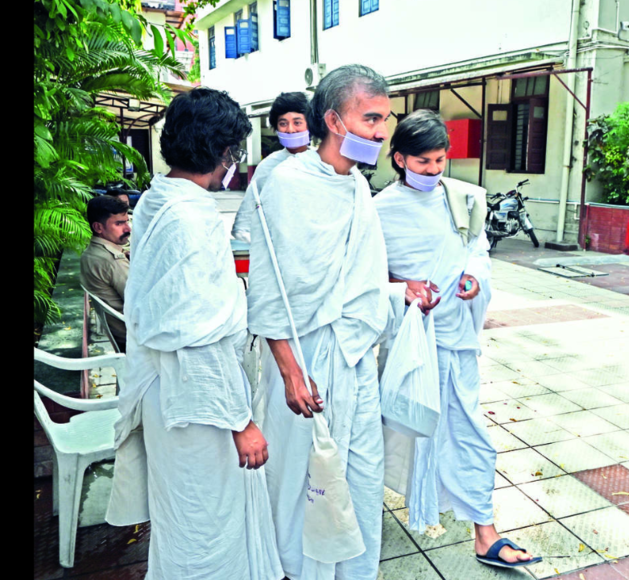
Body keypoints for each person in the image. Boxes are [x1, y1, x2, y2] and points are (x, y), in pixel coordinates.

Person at [247, 64, 434, 580]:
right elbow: (266, 288)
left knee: (359, 478)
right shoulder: (285, 184)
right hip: (305, 363)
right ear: (332, 119)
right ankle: (297, 571)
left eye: (384, 119)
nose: (381, 131)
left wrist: (401, 294)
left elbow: (359, 282)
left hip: (353, 361)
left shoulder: (355, 187)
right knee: (300, 479)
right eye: (370, 118)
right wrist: (289, 372)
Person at [104, 87, 283, 580]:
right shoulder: (186, 218)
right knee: (208, 525)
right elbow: (196, 338)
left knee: (187, 517)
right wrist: (240, 423)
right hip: (196, 405)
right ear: (225, 153)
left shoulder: (160, 199)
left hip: (175, 397)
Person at [373, 109, 542, 569]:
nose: (432, 170)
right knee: (387, 427)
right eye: (422, 162)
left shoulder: (465, 198)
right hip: (411, 341)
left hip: (457, 338)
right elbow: (368, 275)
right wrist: (401, 290)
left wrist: (472, 275)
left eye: (440, 161)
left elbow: (478, 251)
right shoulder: (378, 210)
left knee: (468, 429)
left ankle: (483, 530)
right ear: (400, 158)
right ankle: (359, 512)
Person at [231, 92, 313, 243]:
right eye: (283, 123)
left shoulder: (325, 163)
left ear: (311, 124)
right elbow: (243, 225)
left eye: (297, 122)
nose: (290, 129)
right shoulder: (268, 166)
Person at [80, 194, 131, 352]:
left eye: (127, 221)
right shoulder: (111, 260)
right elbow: (142, 301)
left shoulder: (93, 253)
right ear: (98, 228)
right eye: (119, 223)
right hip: (135, 340)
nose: (128, 228)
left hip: (124, 334)